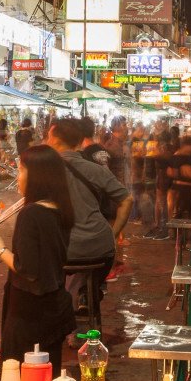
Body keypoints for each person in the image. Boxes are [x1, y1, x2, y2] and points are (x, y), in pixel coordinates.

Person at [0, 145, 76, 361]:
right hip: (53, 307)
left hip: (29, 313)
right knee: (46, 372)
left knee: (23, 375)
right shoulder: (59, 210)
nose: (19, 177)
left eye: (22, 170)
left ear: (37, 177)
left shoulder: (31, 214)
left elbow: (28, 268)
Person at [48, 118, 130, 314]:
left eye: (49, 137)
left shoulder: (45, 170)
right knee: (99, 265)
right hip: (100, 246)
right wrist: (113, 233)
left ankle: (64, 305)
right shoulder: (95, 169)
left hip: (63, 250)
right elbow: (127, 200)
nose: (46, 141)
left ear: (57, 141)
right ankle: (89, 292)